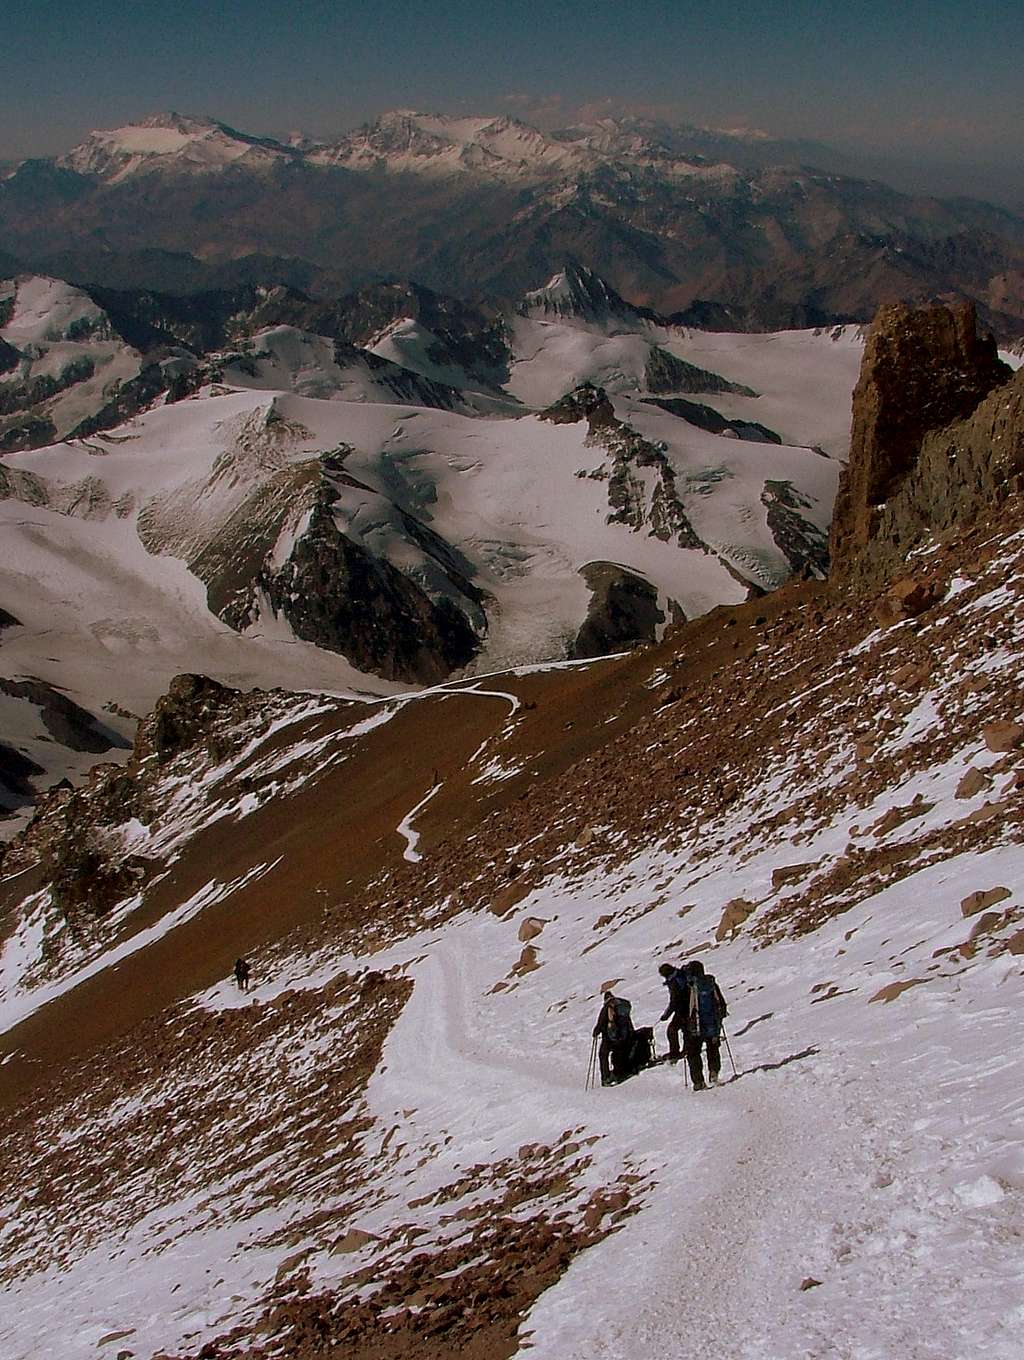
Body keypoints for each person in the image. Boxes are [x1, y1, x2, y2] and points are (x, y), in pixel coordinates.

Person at [684, 960, 728, 1090]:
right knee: (712, 1048)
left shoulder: (690, 986)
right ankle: (714, 1071)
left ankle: (698, 1081)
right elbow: (721, 1003)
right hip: (712, 1023)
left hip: (695, 1025)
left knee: (693, 1052)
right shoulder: (711, 983)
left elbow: (684, 1007)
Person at [592, 991, 635, 1086]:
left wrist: (596, 1032)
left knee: (603, 1055)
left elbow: (601, 1022)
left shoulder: (607, 1007)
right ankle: (620, 1072)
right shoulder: (622, 1006)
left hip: (609, 1037)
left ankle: (606, 1078)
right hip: (623, 1037)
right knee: (619, 1053)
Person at [658, 962, 691, 1062]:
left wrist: (666, 1015)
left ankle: (675, 1052)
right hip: (690, 1006)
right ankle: (687, 1049)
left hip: (682, 1009)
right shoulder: (681, 975)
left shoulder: (674, 981)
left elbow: (674, 1001)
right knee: (686, 1029)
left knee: (672, 1030)